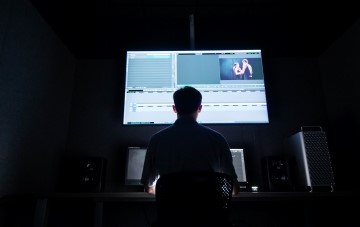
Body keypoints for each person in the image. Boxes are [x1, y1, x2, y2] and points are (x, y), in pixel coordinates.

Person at [141, 86, 239, 195]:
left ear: (174, 108)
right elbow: (234, 189)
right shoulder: (217, 139)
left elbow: (147, 187)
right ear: (200, 108)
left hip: (171, 211)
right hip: (208, 210)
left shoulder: (157, 140)